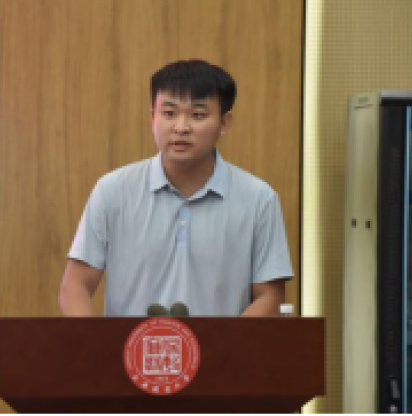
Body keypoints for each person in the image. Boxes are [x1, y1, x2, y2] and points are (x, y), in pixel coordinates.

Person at [59, 59, 293, 316]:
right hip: (130, 344)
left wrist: (226, 341)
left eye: (198, 115)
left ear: (224, 123)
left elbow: (270, 296)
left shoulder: (259, 199)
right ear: (153, 117)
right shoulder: (112, 191)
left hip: (221, 344)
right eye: (169, 114)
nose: (181, 128)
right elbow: (75, 286)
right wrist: (96, 340)